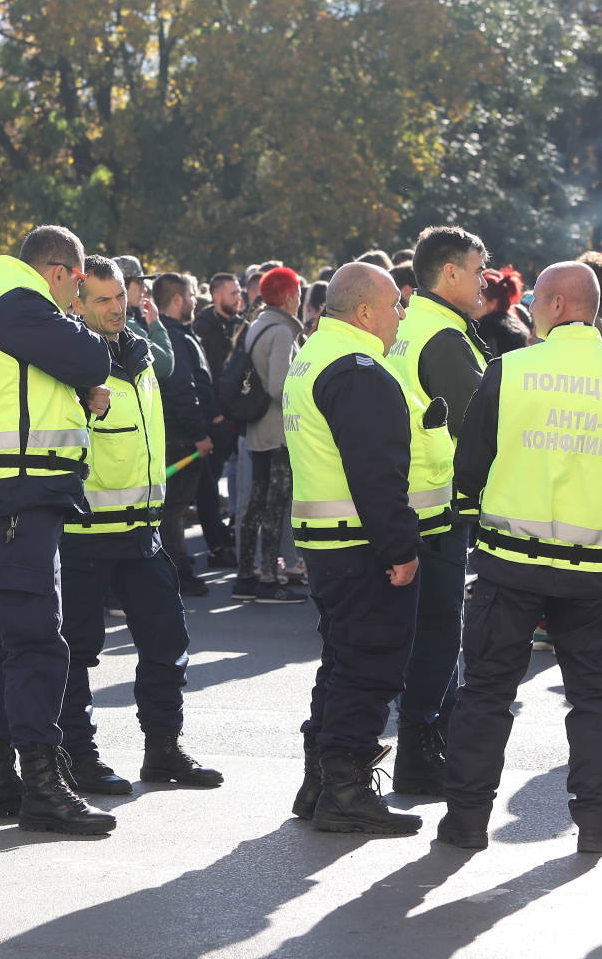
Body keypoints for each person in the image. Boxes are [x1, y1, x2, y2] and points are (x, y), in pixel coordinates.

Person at [441, 261, 602, 855]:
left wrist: (476, 518)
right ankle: (595, 824)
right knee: (595, 698)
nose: (530, 307)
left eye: (536, 299)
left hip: (509, 561)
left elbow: (470, 465)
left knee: (486, 691)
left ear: (558, 305)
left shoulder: (511, 371)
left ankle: (465, 822)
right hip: (593, 567)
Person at [0, 224, 116, 837]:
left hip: (17, 493)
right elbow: (91, 354)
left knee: (11, 643)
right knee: (36, 643)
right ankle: (43, 787)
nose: (80, 300)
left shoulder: (6, 304)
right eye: (79, 287)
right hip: (15, 494)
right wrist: (85, 349)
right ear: (58, 272)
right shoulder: (18, 304)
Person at [58, 256, 222, 795]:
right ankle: (77, 756)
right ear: (78, 302)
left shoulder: (141, 351)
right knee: (76, 653)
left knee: (166, 642)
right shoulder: (66, 358)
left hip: (143, 530)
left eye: (119, 299)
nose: (113, 309)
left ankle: (163, 750)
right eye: (101, 300)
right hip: (84, 531)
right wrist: (82, 404)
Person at [282, 262, 424, 836]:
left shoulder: (315, 353)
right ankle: (345, 790)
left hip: (327, 539)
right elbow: (376, 473)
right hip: (359, 542)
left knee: (343, 661)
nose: (401, 315)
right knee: (368, 666)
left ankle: (321, 782)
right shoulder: (359, 369)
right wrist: (400, 548)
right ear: (364, 312)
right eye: (394, 305)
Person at [382, 226, 490, 796]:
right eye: (478, 270)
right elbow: (482, 427)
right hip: (437, 508)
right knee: (439, 632)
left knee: (414, 631)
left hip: (403, 501)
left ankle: (422, 739)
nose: (484, 282)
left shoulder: (411, 325)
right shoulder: (444, 337)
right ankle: (423, 746)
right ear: (450, 273)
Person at [233, 267, 308, 603]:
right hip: (278, 430)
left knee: (256, 505)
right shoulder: (281, 332)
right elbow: (280, 385)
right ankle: (268, 579)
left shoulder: (259, 324)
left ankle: (246, 576)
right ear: (291, 297)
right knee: (276, 507)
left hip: (257, 428)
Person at [154, 272, 225, 592]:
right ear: (178, 299)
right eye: (193, 294)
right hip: (181, 436)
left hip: (181, 433)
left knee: (176, 507)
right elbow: (183, 389)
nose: (197, 300)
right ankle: (177, 571)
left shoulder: (176, 334)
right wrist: (198, 434)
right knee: (175, 508)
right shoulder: (173, 338)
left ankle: (176, 565)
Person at [474, 267, 530, 356]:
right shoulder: (516, 331)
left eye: (478, 297)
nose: (473, 302)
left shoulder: (485, 334)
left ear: (492, 304)